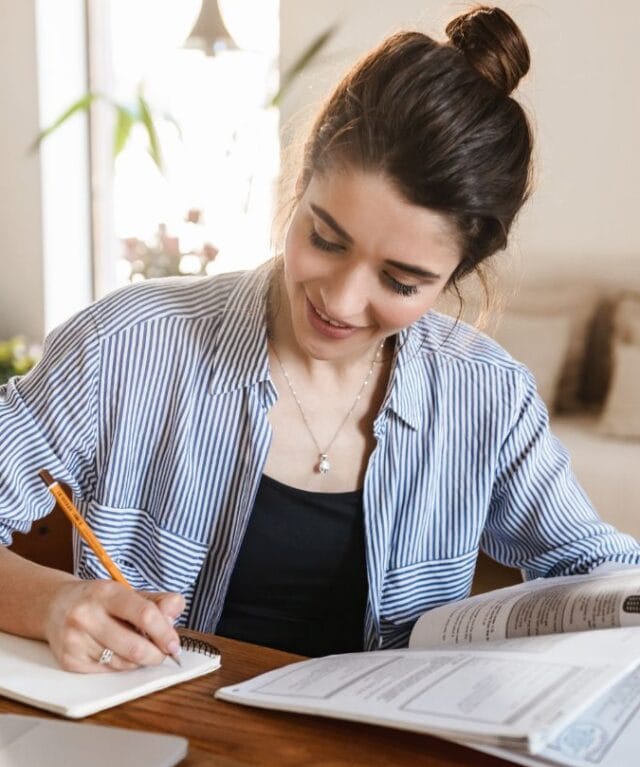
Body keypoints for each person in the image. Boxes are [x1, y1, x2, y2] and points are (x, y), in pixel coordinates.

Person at [1, 6, 638, 672]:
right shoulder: (127, 346)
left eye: (400, 280)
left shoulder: (489, 395)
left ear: (458, 274)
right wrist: (53, 601)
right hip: (162, 738)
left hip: (375, 765)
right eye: (325, 239)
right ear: (299, 182)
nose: (339, 300)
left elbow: (600, 571)